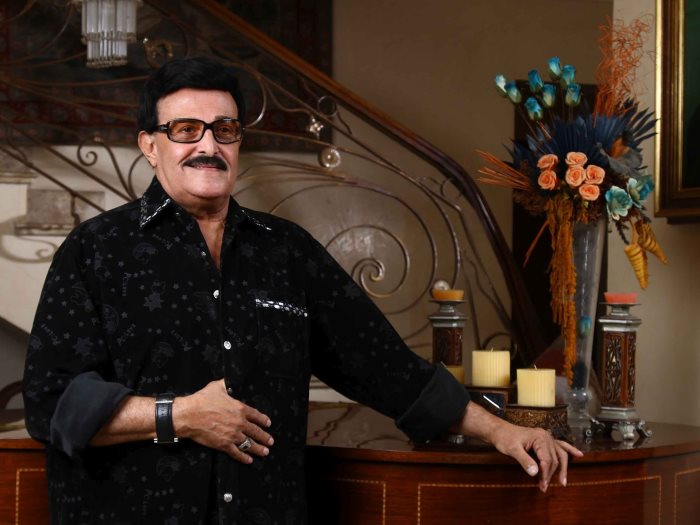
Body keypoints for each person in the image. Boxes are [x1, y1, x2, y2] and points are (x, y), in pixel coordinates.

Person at [23, 56, 582, 524]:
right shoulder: (96, 250)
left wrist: (502, 431)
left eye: (225, 129)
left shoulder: (286, 251)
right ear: (150, 145)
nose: (208, 145)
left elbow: (385, 367)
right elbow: (52, 407)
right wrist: (181, 415)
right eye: (186, 130)